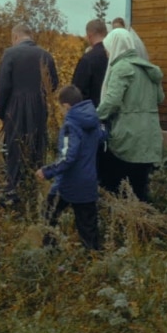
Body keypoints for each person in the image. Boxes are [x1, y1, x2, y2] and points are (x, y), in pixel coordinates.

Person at [95, 28, 165, 202]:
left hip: (127, 137)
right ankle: (145, 223)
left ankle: (122, 223)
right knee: (140, 187)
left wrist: (93, 118)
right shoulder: (147, 68)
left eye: (108, 47)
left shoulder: (121, 68)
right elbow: (160, 98)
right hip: (149, 136)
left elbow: (112, 102)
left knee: (116, 185)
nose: (106, 51)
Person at [0, 23, 59, 204]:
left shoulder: (10, 54)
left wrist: (2, 112)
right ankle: (35, 189)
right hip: (39, 106)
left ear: (15, 37)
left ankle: (13, 192)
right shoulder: (45, 55)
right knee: (38, 145)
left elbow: (3, 86)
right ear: (30, 36)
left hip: (15, 107)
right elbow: (53, 83)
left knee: (15, 148)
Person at [37, 85, 102, 250]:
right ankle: (94, 260)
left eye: (61, 108)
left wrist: (47, 171)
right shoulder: (94, 120)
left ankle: (50, 251)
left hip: (67, 183)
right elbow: (103, 135)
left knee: (48, 215)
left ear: (66, 106)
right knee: (88, 227)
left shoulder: (70, 125)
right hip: (88, 183)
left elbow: (68, 157)